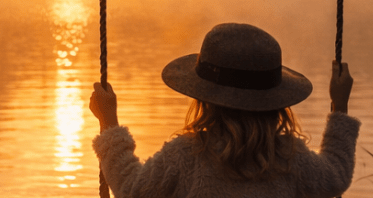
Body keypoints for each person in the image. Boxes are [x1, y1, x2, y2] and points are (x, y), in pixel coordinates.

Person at [89, 23, 358, 197]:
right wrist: (340, 105)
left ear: (205, 100)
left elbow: (131, 187)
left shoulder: (187, 156)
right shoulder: (290, 158)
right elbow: (336, 175)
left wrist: (109, 120)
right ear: (274, 101)